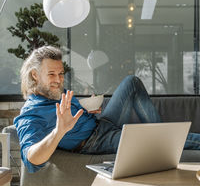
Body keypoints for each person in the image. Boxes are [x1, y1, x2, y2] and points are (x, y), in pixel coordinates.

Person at [14, 45, 200, 173]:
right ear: (35, 75)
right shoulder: (30, 114)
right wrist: (58, 131)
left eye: (61, 74)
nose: (59, 79)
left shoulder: (55, 95)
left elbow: (73, 114)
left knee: (131, 82)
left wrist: (86, 110)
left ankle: (160, 136)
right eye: (52, 74)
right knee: (161, 138)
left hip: (101, 123)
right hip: (95, 142)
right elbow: (31, 160)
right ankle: (162, 138)